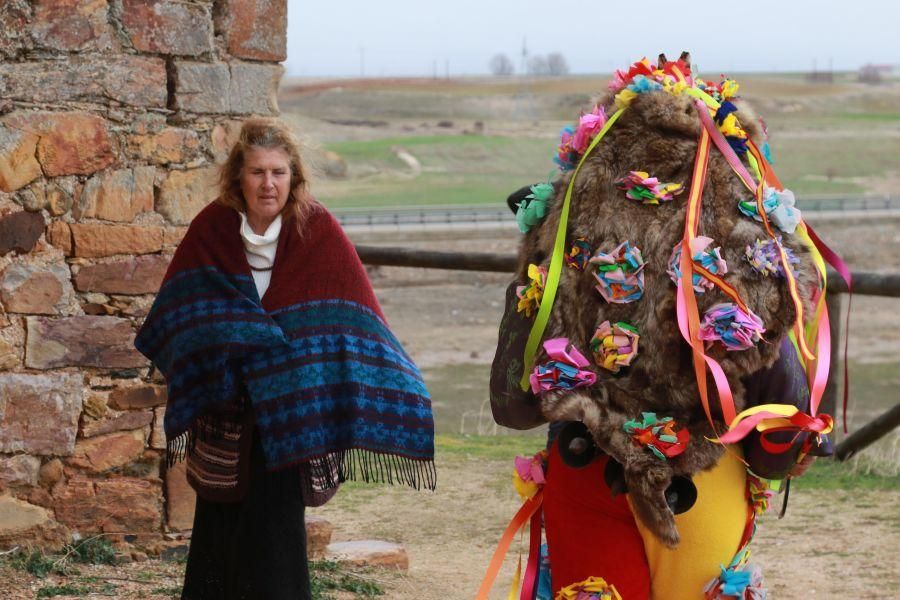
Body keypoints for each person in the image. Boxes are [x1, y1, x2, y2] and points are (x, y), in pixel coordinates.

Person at [135, 118, 436, 600]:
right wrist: (229, 346)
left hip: (291, 421)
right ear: (238, 177)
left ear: (294, 177)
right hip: (224, 410)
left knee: (276, 536)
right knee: (221, 528)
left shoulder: (318, 231)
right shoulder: (211, 229)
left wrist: (404, 387)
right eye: (257, 172)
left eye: (278, 172)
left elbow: (356, 319)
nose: (268, 183)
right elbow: (177, 314)